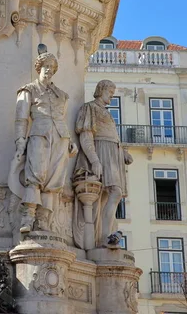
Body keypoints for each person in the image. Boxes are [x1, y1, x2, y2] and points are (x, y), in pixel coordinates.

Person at [9, 50, 77, 234]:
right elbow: (21, 119)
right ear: (39, 68)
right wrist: (20, 141)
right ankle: (28, 217)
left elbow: (62, 118)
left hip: (60, 138)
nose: (48, 70)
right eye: (45, 66)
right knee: (35, 174)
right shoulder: (28, 90)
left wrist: (69, 140)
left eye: (52, 67)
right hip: (39, 133)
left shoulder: (61, 95)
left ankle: (44, 220)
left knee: (54, 180)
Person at [73, 80, 133, 248]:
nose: (112, 96)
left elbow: (111, 135)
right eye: (110, 92)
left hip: (113, 155)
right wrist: (94, 160)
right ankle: (104, 236)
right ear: (100, 90)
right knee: (115, 192)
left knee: (112, 195)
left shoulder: (105, 112)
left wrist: (123, 153)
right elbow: (86, 135)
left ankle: (105, 234)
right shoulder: (89, 108)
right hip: (101, 152)